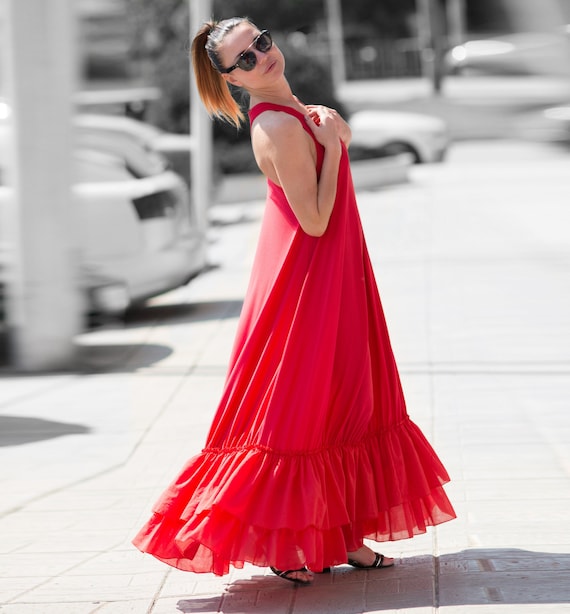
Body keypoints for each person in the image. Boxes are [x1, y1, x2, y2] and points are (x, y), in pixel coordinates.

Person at [132, 16, 456, 586]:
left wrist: (332, 138)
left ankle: (345, 537)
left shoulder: (292, 112)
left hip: (330, 270)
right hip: (303, 280)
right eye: (246, 59)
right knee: (294, 407)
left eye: (261, 42)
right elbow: (314, 219)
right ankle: (285, 542)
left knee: (344, 396)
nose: (263, 56)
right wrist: (334, 147)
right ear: (233, 79)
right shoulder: (278, 125)